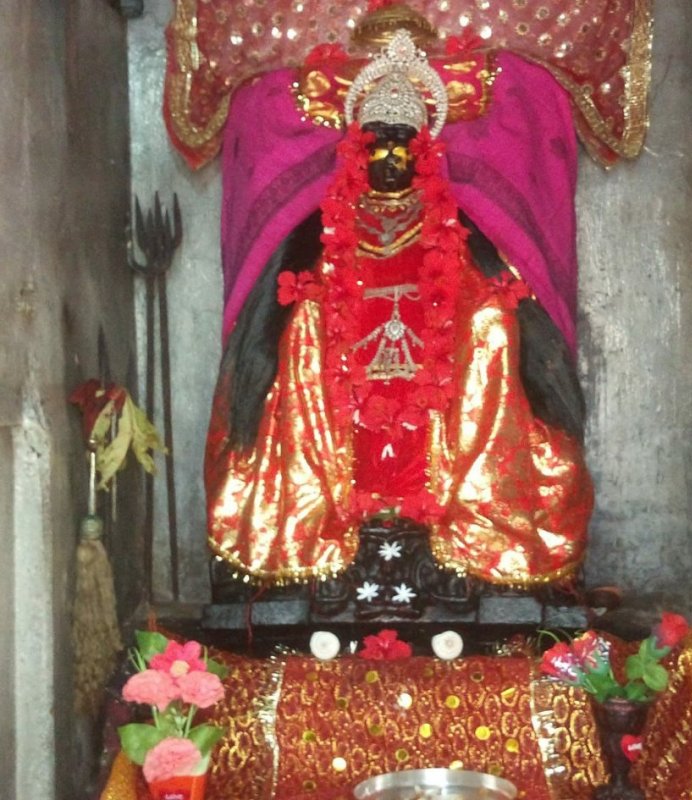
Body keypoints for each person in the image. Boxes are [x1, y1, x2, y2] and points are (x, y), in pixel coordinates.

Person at [204, 30, 593, 596]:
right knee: (304, 322)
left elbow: (485, 290)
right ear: (355, 149)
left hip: (442, 372)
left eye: (400, 144)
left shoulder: (458, 226)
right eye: (377, 144)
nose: (389, 156)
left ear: (424, 149)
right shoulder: (325, 225)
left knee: (489, 322)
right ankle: (323, 527)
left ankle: (468, 536)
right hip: (341, 375)